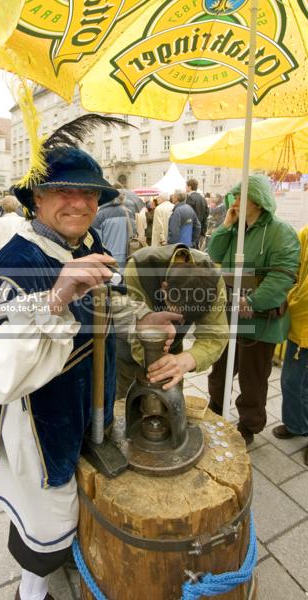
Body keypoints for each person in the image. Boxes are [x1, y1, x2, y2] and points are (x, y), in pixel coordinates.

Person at [0, 135, 183, 600]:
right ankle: (31, 592)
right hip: (38, 421)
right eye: (64, 191)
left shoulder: (87, 241)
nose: (79, 203)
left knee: (78, 499)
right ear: (37, 199)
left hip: (86, 400)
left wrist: (141, 318)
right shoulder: (18, 260)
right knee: (44, 520)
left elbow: (106, 301)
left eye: (88, 193)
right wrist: (56, 298)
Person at [207, 175, 300, 445]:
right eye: (234, 195)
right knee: (221, 367)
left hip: (259, 319)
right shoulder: (235, 228)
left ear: (257, 201)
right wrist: (226, 225)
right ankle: (215, 406)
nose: (234, 201)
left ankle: (249, 425)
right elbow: (214, 253)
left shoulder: (281, 232)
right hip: (230, 313)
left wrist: (253, 301)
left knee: (253, 379)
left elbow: (282, 276)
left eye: (240, 196)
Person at [116, 243, 229, 398]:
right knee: (129, 403)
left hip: (171, 349)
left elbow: (216, 334)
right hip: (129, 348)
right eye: (177, 316)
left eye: (187, 319)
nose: (181, 324)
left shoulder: (213, 280)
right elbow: (135, 325)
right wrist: (159, 368)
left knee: (171, 403)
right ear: (164, 289)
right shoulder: (139, 267)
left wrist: (186, 360)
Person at [272, 225, 308, 464]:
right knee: (291, 381)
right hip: (300, 326)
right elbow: (293, 267)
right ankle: (295, 424)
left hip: (302, 316)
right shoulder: (305, 233)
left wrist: (289, 299)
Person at [92, 189, 136, 271]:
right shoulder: (128, 212)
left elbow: (95, 240)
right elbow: (134, 233)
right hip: (127, 255)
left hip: (107, 258)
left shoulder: (100, 215)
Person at [186, 178, 209, 244]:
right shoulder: (203, 198)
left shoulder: (190, 198)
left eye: (186, 186)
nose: (185, 188)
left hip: (192, 229)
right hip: (201, 228)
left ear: (189, 187)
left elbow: (188, 214)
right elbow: (206, 213)